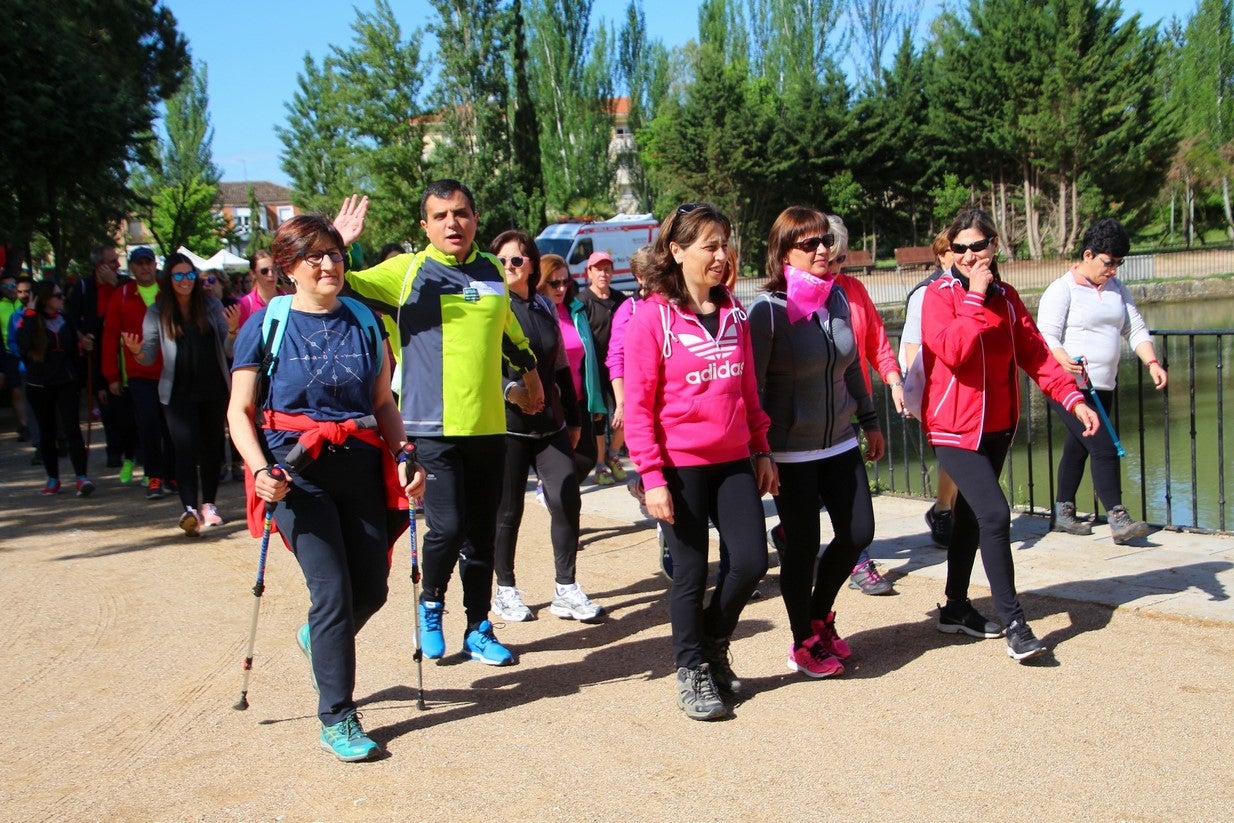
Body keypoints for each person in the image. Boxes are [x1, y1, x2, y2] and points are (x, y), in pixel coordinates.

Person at [227, 212, 424, 762]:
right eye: (312, 256)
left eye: (333, 252)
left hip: (358, 464)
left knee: (372, 588)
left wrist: (405, 453)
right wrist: (260, 470)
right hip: (294, 473)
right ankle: (338, 716)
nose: (327, 263)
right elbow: (240, 411)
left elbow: (383, 402)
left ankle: (319, 638)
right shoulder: (266, 324)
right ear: (289, 268)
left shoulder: (364, 320)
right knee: (332, 591)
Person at [344, 180, 542, 667]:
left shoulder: (493, 268)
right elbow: (342, 283)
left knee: (482, 532)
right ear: (425, 225)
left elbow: (509, 330)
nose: (453, 223)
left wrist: (531, 372)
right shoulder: (406, 271)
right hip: (428, 424)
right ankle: (432, 605)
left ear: (475, 218)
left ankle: (478, 627)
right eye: (440, 216)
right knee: (447, 527)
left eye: (461, 213)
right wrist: (339, 240)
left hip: (488, 424)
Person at [920, 208, 1100, 662]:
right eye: (959, 247)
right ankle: (1016, 624)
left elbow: (1038, 357)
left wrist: (1073, 399)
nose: (968, 255)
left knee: (970, 517)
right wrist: (976, 298)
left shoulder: (1008, 297)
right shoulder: (938, 296)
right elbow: (953, 351)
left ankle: (956, 608)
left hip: (998, 427)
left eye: (977, 246)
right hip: (953, 429)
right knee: (996, 516)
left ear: (993, 247)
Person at [624, 202, 777, 720]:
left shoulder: (735, 313)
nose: (720, 255)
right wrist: (652, 477)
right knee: (690, 573)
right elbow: (639, 408)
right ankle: (691, 671)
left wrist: (761, 448)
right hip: (679, 467)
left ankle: (712, 644)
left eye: (724, 244)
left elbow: (748, 390)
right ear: (677, 250)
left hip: (734, 458)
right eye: (709, 245)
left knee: (751, 561)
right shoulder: (651, 319)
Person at [749, 206, 884, 679]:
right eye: (810, 244)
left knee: (857, 534)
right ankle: (802, 641)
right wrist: (759, 450)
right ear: (785, 253)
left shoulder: (838, 298)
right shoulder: (767, 312)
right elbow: (753, 386)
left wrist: (870, 420)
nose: (824, 250)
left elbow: (850, 365)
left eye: (825, 241)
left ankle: (819, 616)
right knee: (803, 548)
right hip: (790, 451)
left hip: (840, 442)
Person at [488, 230, 601, 623]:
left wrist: (572, 416)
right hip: (508, 424)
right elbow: (475, 365)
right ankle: (504, 589)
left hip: (549, 421)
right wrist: (510, 391)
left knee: (568, 495)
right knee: (508, 510)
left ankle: (565, 588)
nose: (508, 267)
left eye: (516, 260)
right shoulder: (487, 307)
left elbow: (560, 365)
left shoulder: (541, 304)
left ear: (532, 264)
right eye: (500, 261)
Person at [1036, 218, 1162, 544]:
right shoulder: (1061, 289)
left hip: (1103, 384)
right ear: (1088, 255)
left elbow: (1134, 329)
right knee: (1104, 446)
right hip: (1069, 388)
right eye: (1109, 262)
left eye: (1119, 263)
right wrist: (1061, 357)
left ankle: (1062, 512)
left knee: (1079, 448)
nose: (1114, 270)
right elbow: (1045, 335)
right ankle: (1119, 518)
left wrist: (1151, 362)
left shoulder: (1118, 290)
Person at [123, 253, 240, 534]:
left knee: (213, 449)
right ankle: (189, 508)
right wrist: (137, 352)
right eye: (178, 275)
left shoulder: (211, 305)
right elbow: (149, 356)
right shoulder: (158, 310)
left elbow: (228, 350)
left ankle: (209, 505)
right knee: (185, 449)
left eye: (189, 275)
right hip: (177, 393)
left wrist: (234, 331)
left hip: (213, 388)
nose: (185, 280)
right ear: (169, 279)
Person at [899, 229, 959, 549]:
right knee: (953, 453)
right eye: (954, 249)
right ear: (941, 255)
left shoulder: (970, 288)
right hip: (935, 390)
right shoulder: (926, 293)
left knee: (959, 454)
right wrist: (916, 393)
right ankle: (943, 510)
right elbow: (911, 345)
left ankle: (946, 509)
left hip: (962, 390)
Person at [14, 281, 95, 496]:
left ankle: (81, 477)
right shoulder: (29, 320)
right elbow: (22, 346)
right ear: (45, 299)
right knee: (47, 431)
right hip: (40, 384)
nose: (62, 299)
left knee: (72, 429)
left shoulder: (65, 320)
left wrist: (85, 345)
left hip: (66, 382)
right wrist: (30, 313)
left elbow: (75, 347)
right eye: (57, 296)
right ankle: (53, 478)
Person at [102, 246, 168, 492]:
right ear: (132, 267)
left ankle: (171, 475)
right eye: (139, 263)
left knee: (171, 427)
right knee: (148, 425)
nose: (144, 267)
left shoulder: (167, 291)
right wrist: (111, 375)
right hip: (139, 372)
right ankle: (154, 477)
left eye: (148, 262)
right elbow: (109, 338)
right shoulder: (122, 295)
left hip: (169, 370)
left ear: (154, 265)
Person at [539, 254, 606, 482]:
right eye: (554, 283)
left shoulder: (576, 310)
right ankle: (553, 492)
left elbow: (590, 358)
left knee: (587, 457)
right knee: (561, 461)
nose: (560, 288)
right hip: (551, 402)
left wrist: (596, 400)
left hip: (579, 399)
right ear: (540, 282)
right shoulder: (536, 311)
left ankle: (554, 492)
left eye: (565, 282)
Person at [66, 245, 123, 467]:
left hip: (124, 345)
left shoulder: (124, 284)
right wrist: (82, 337)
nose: (117, 265)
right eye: (112, 262)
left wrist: (115, 283)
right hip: (97, 349)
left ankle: (133, 447)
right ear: (99, 266)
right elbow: (70, 319)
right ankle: (114, 448)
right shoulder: (84, 287)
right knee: (104, 397)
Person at [578, 251, 628, 485]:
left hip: (618, 367)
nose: (603, 274)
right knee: (599, 416)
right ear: (589, 272)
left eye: (607, 269)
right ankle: (599, 464)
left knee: (627, 411)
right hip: (594, 368)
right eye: (598, 269)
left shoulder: (620, 300)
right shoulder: (581, 301)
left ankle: (613, 454)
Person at [235, 250, 280, 330]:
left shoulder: (289, 298)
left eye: (274, 269)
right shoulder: (246, 304)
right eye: (264, 271)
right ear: (253, 273)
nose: (271, 274)